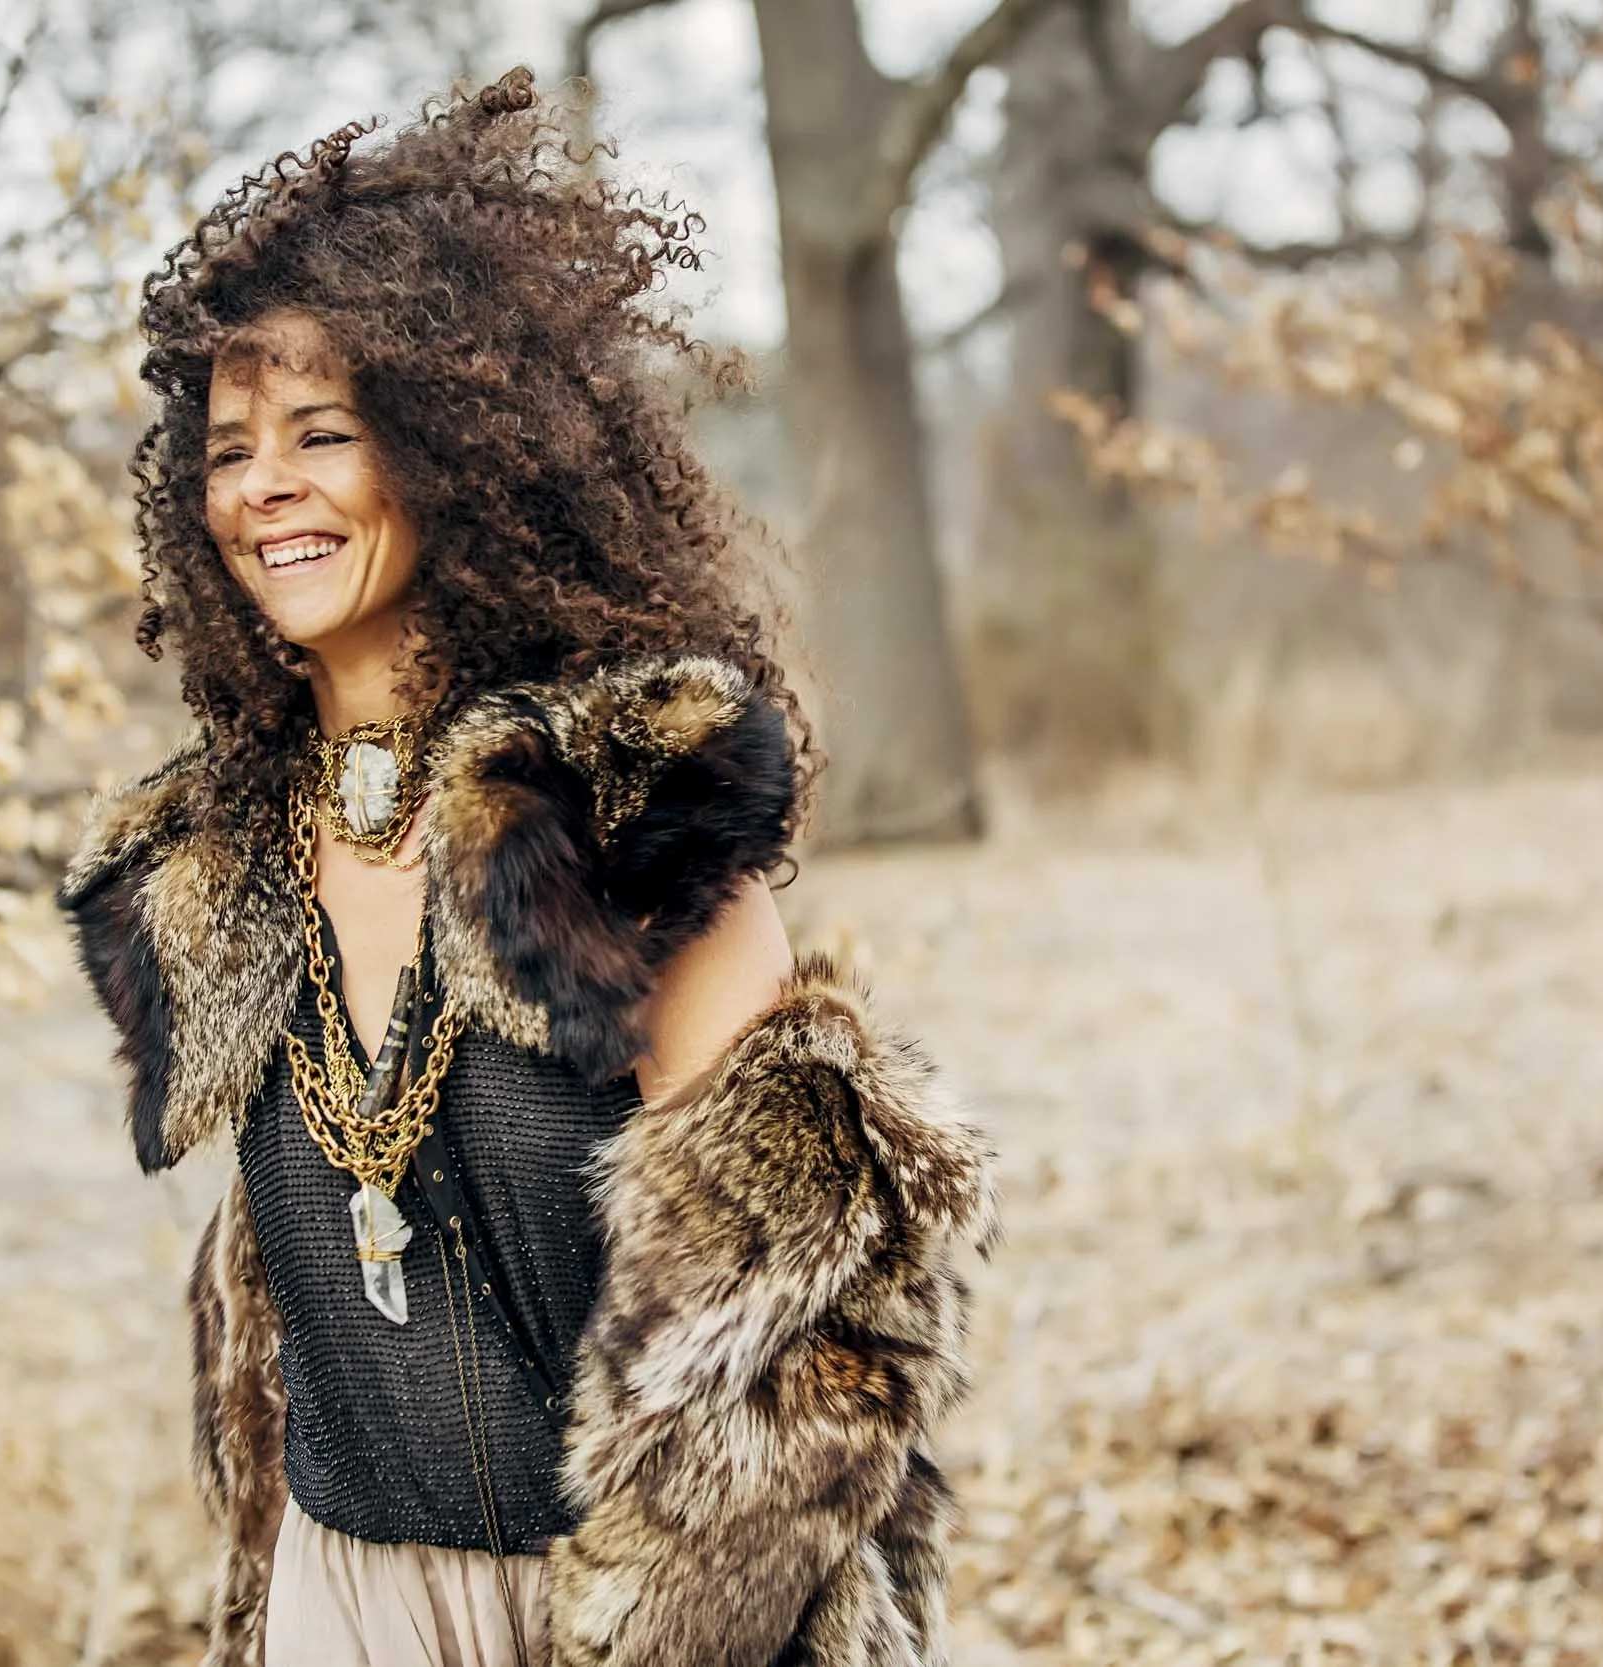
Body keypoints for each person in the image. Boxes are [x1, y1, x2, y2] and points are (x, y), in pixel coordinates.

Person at [58, 68, 994, 1667]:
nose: (263, 486)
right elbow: (277, 1353)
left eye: (322, 432)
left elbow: (800, 1362)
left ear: (453, 456)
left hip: (620, 1623)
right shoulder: (222, 883)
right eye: (227, 450)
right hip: (336, 1609)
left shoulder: (621, 837)